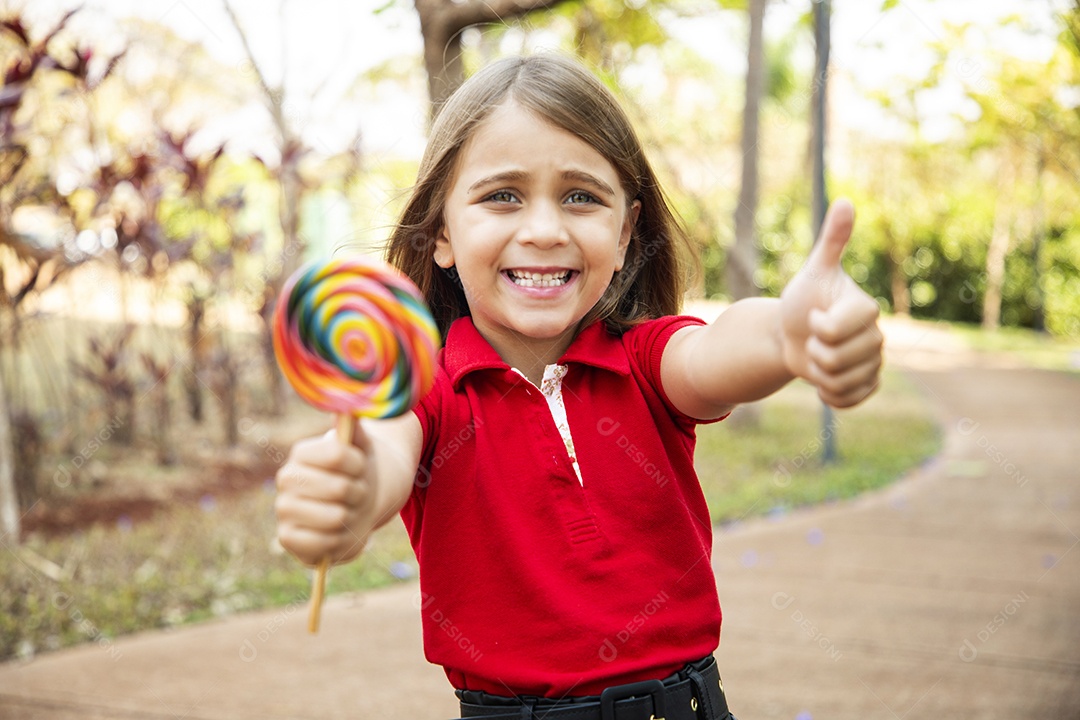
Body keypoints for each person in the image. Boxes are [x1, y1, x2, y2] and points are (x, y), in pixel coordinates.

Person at [275, 54, 882, 720]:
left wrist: (786, 334)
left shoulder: (647, 362)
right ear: (442, 233)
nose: (544, 230)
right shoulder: (426, 393)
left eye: (580, 197)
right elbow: (384, 454)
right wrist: (352, 492)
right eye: (502, 195)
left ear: (624, 235)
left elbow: (716, 353)